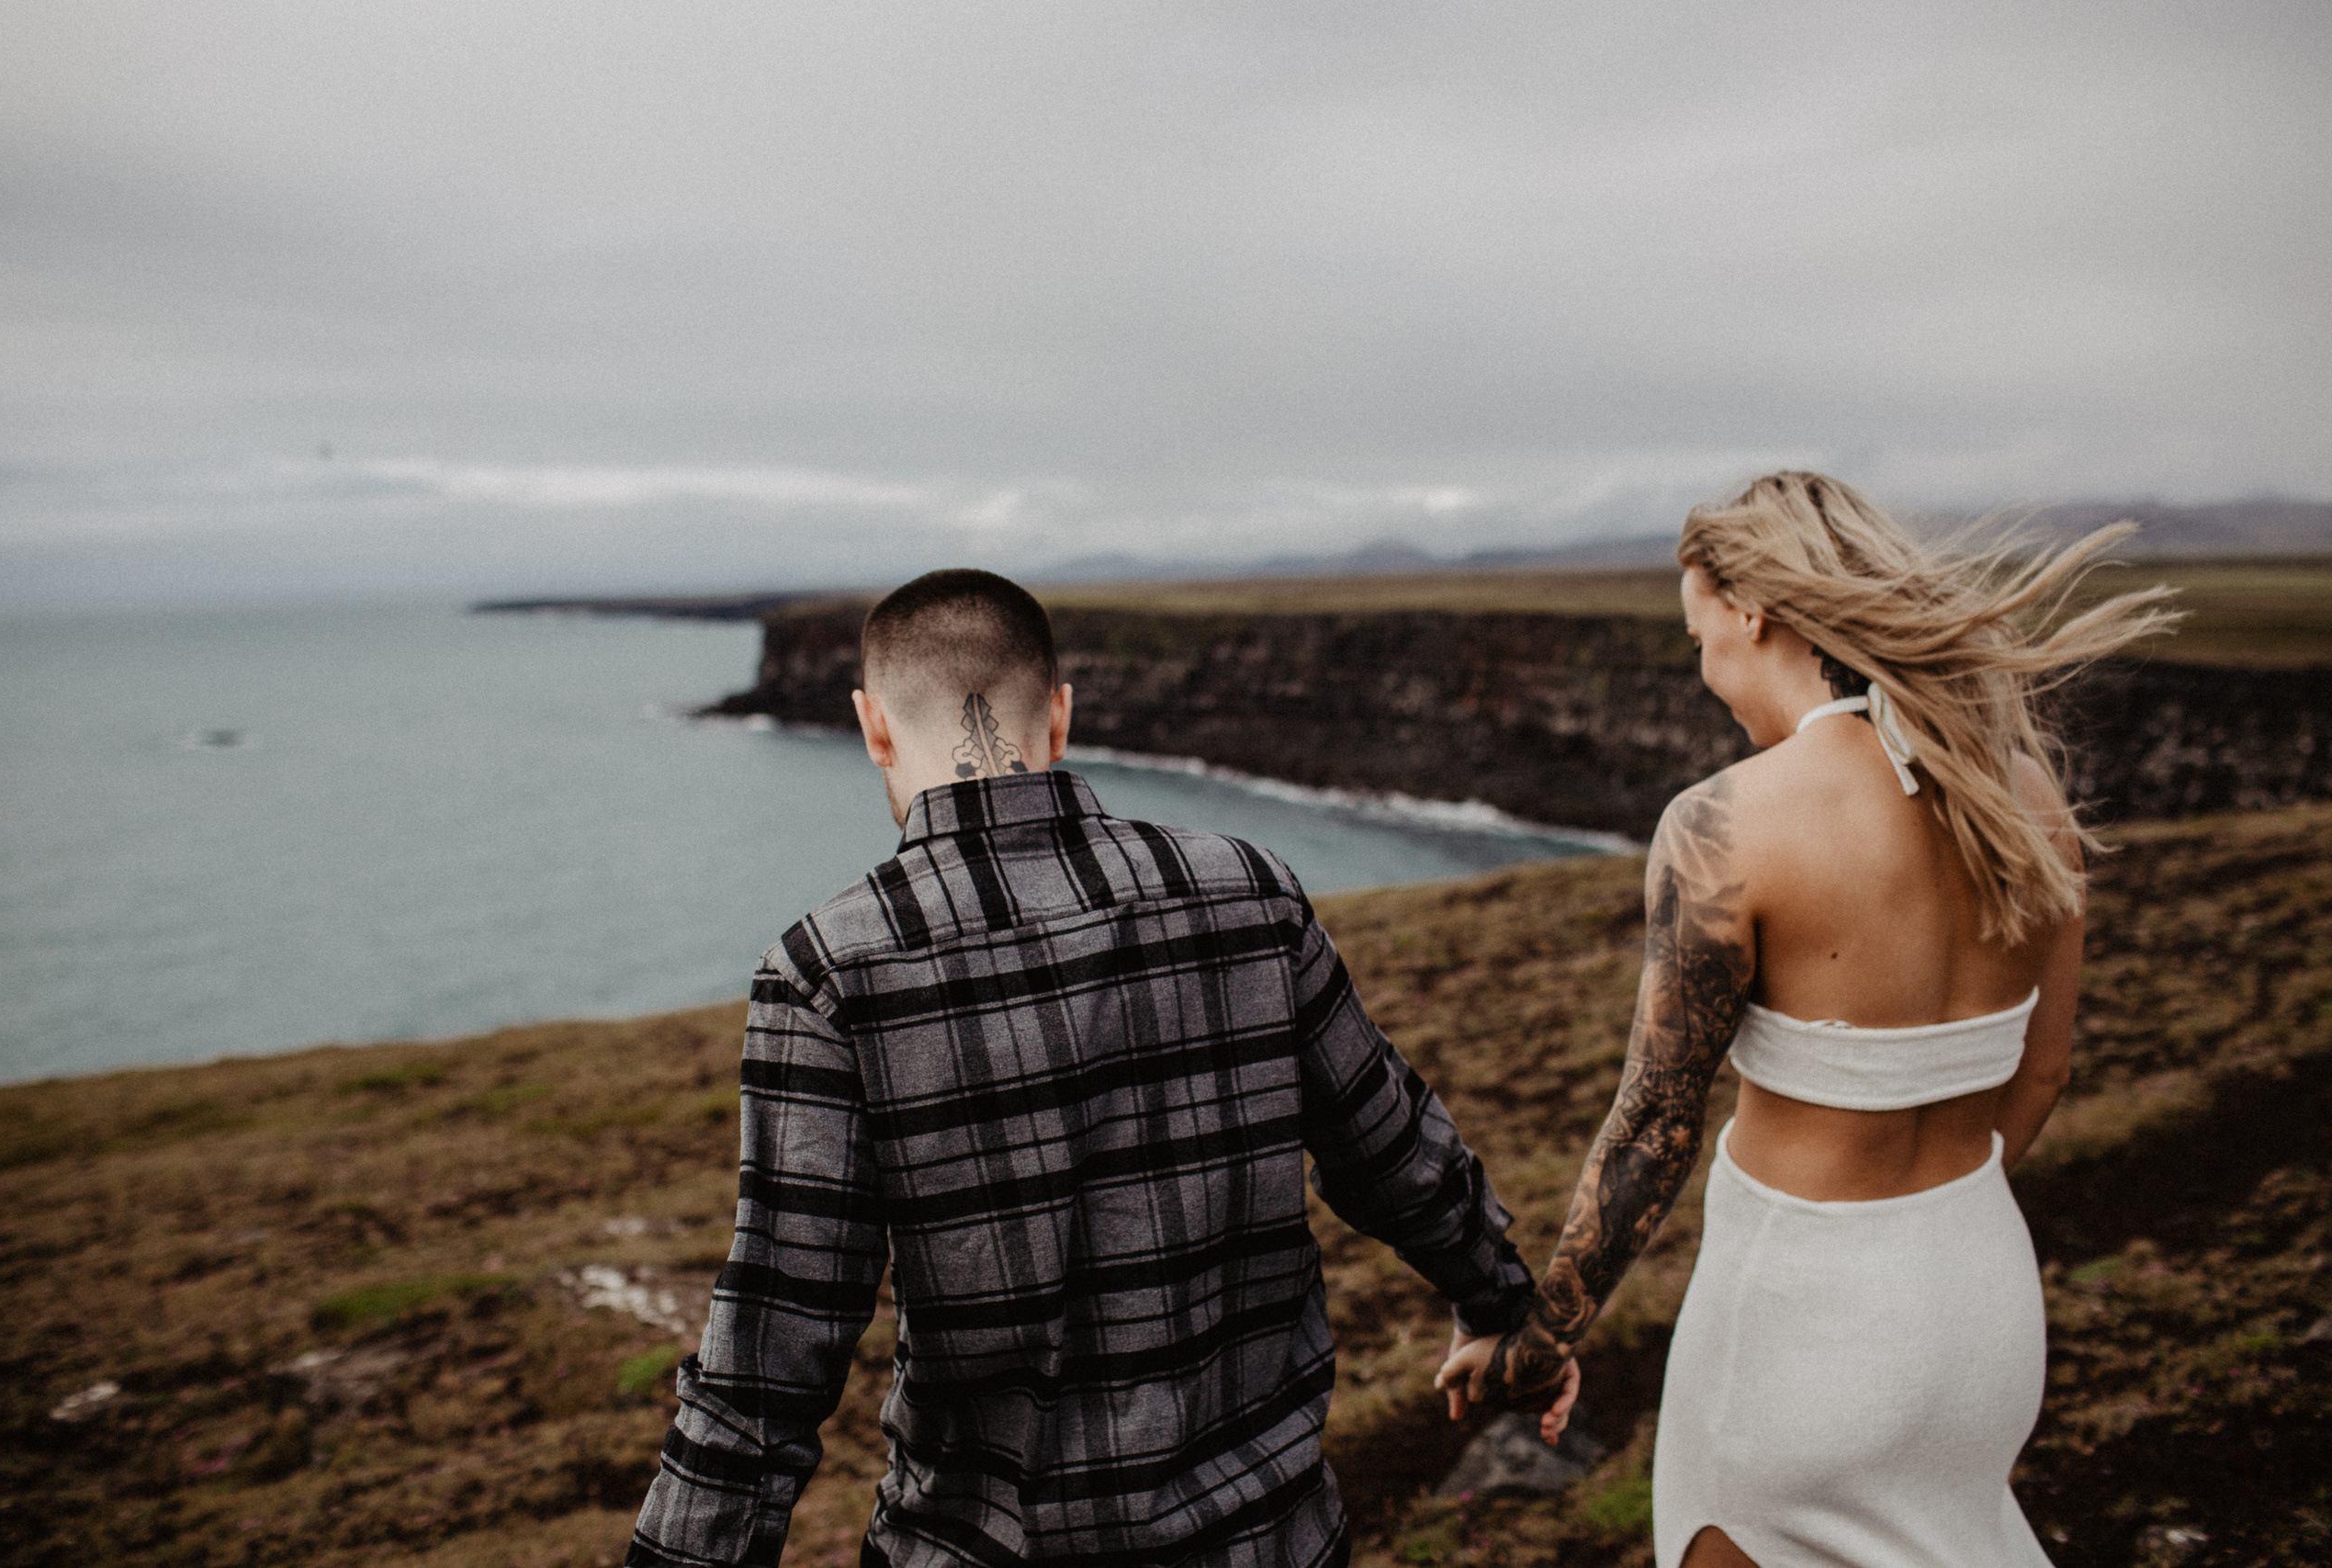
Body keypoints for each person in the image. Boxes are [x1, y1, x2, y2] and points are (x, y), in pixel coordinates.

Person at [626, 568, 1570, 1568]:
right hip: (1273, 1541)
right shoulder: (1251, 894)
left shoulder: (828, 972)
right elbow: (1395, 1155)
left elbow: (772, 1356)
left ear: (873, 727)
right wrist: (1507, 1312)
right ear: (1061, 715)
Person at [1436, 474, 2179, 1566]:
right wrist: (1923, 1228)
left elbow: (1654, 1126)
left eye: (1697, 636)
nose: (1704, 670)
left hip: (1800, 1325)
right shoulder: (2018, 799)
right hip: (1980, 1303)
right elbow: (2041, 1074)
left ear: (1748, 611)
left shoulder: (1723, 824)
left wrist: (1540, 1336)